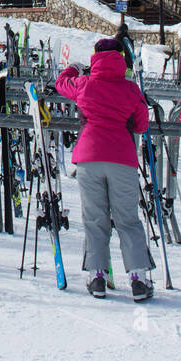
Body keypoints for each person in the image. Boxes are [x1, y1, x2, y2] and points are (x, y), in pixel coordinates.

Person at [55, 35, 153, 300]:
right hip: (122, 157)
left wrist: (73, 68)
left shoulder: (85, 84)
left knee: (95, 219)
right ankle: (138, 277)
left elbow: (61, 84)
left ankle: (97, 274)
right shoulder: (131, 89)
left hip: (89, 157)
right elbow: (142, 125)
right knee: (127, 219)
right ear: (121, 58)